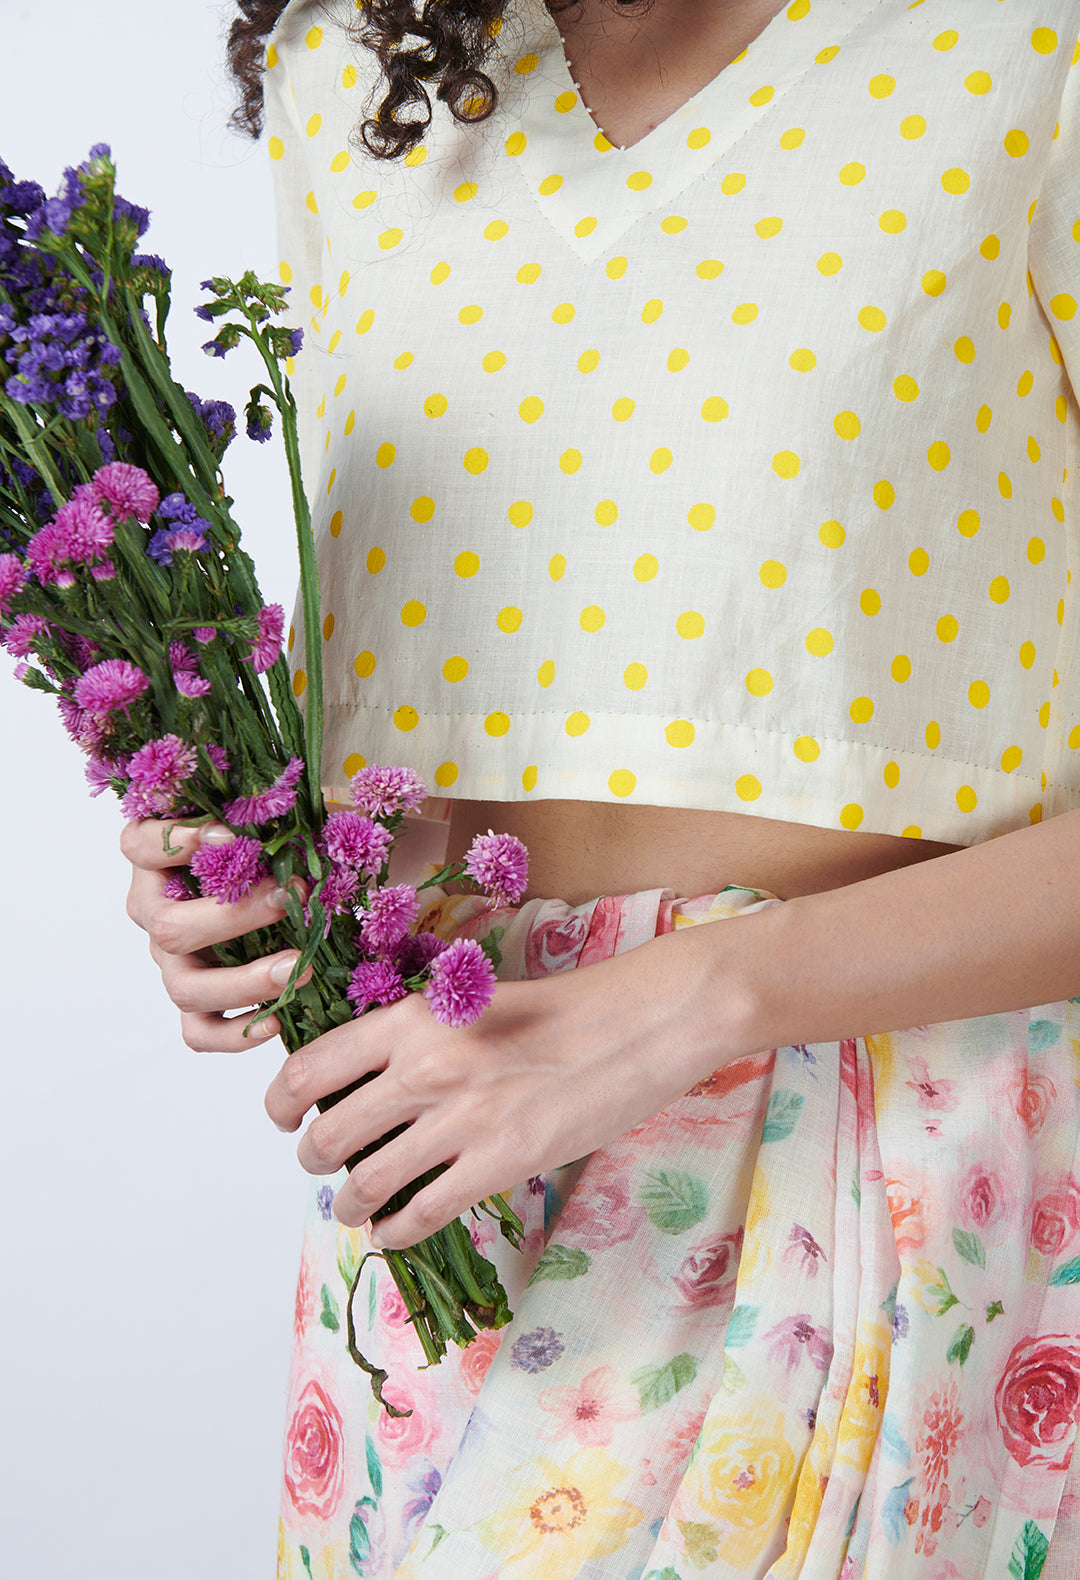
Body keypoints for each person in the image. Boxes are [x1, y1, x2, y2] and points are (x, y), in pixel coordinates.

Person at [122, 0, 1080, 1573]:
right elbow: (496, 724)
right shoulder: (350, 75)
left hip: (890, 1203)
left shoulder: (1021, 44)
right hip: (457, 1196)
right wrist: (285, 865)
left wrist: (688, 998)